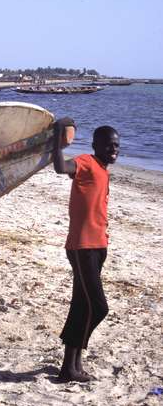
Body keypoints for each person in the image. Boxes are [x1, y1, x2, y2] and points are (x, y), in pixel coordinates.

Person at [52, 118, 120, 383]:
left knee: (82, 305)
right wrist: (58, 142)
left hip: (98, 246)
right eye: (108, 145)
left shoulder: (103, 169)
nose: (113, 149)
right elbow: (60, 167)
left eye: (116, 146)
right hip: (82, 247)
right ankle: (72, 360)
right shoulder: (87, 162)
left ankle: (71, 367)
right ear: (95, 146)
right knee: (98, 307)